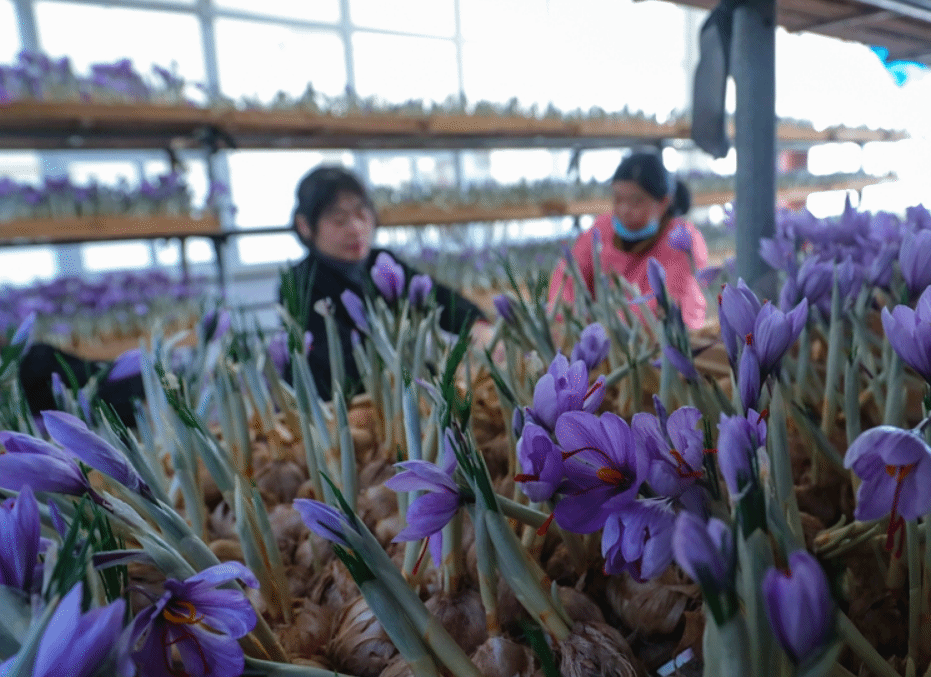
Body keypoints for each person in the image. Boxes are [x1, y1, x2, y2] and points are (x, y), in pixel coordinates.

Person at [287, 165, 487, 401]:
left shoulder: (380, 262)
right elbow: (343, 361)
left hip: (406, 391)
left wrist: (476, 326)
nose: (356, 228)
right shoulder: (299, 284)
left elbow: (438, 297)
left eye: (362, 215)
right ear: (304, 226)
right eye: (339, 220)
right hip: (344, 405)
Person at [548, 151, 708, 330]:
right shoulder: (603, 229)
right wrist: (569, 316)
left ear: (663, 202)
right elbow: (568, 277)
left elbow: (671, 305)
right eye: (618, 199)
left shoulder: (682, 240)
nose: (624, 209)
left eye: (636, 201)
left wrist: (603, 326)